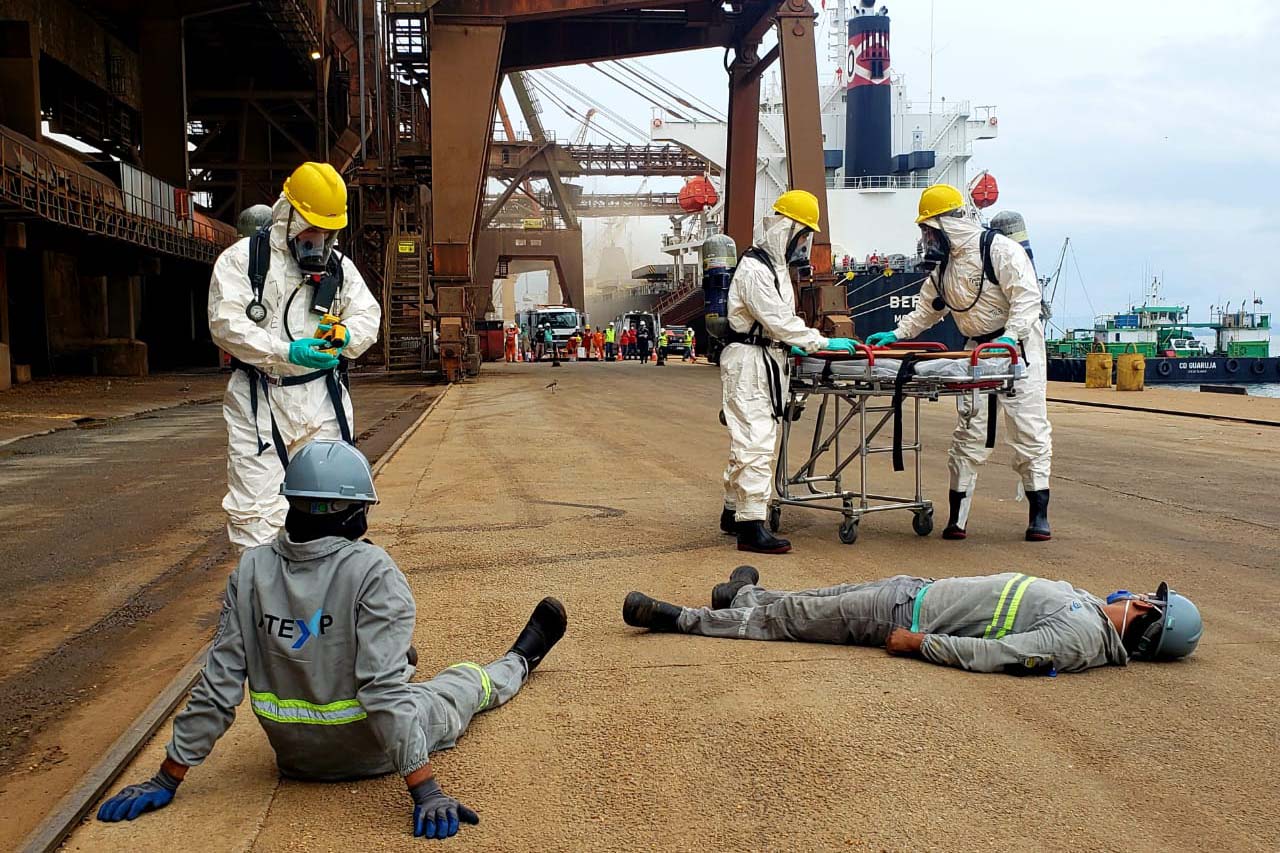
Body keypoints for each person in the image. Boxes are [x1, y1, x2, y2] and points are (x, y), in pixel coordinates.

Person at [95, 441, 568, 839]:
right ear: (353, 512)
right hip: (370, 751)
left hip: (297, 758)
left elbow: (217, 688)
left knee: (381, 664)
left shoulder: (251, 570)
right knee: (455, 689)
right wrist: (425, 789)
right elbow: (381, 695)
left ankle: (398, 658)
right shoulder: (373, 571)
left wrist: (168, 776)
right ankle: (518, 661)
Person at [864, 184, 1052, 542]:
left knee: (1028, 429)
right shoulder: (943, 268)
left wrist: (1010, 336)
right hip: (976, 351)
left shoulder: (1000, 251)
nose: (925, 238)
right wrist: (898, 334)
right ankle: (958, 518)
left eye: (928, 230)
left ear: (946, 225)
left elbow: (1027, 298)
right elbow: (927, 310)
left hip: (1019, 348)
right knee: (970, 431)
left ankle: (1038, 514)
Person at [209, 163, 382, 550]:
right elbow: (225, 323)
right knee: (255, 510)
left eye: (326, 231)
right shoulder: (243, 262)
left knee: (333, 505)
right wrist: (285, 351)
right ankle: (264, 599)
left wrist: (347, 335)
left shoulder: (338, 268)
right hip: (260, 402)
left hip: (322, 399)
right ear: (288, 215)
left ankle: (324, 599)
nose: (316, 240)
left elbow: (369, 316)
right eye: (310, 228)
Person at [623, 566, 1202, 676]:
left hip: (904, 615)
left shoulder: (1080, 638)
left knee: (794, 620)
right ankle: (743, 597)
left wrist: (922, 644)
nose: (1133, 595)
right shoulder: (1089, 607)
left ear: (1148, 613)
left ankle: (682, 619)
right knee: (811, 599)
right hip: (917, 589)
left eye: (1144, 600)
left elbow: (1000, 655)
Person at [718, 190, 858, 554]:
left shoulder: (776, 267)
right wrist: (820, 343)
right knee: (755, 441)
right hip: (750, 362)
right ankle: (751, 527)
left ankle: (733, 512)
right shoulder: (755, 269)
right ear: (788, 229)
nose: (806, 245)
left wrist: (796, 340)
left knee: (748, 440)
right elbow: (780, 322)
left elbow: (782, 321)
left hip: (764, 359)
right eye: (804, 236)